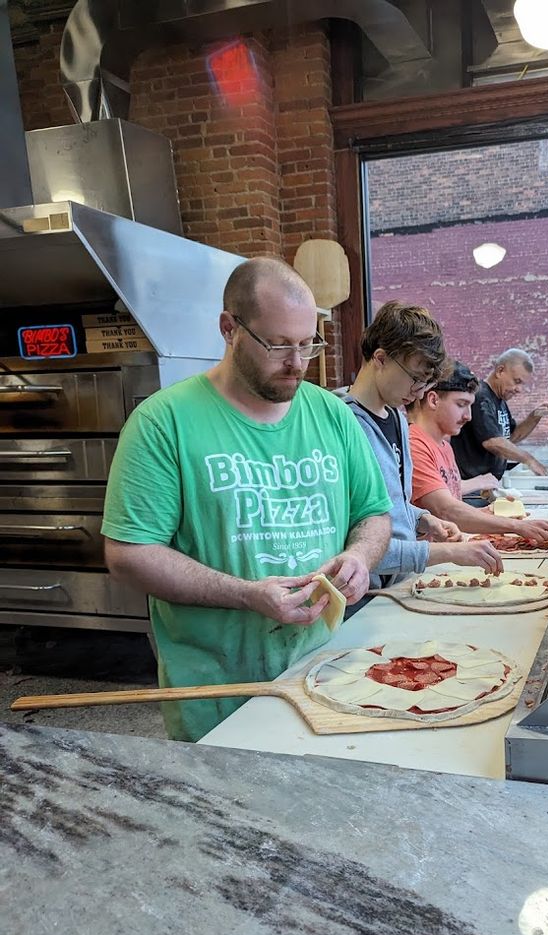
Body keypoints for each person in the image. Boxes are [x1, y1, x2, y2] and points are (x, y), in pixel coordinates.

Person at [101, 256, 392, 741]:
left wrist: (360, 556)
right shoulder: (163, 423)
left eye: (307, 344)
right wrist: (247, 595)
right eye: (278, 344)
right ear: (228, 328)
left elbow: (373, 514)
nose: (297, 363)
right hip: (216, 688)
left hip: (324, 671)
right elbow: (128, 555)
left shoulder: (333, 416)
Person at [343, 301, 503, 584]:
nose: (418, 392)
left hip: (399, 581)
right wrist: (447, 553)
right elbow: (355, 537)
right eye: (415, 379)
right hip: (365, 590)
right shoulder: (344, 423)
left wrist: (420, 518)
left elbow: (389, 504)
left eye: (425, 384)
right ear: (380, 358)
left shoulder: (395, 416)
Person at [408, 361, 548, 543]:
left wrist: (491, 515)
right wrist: (516, 527)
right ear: (433, 400)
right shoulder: (414, 445)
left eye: (470, 406)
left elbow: (451, 508)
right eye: (461, 404)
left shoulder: (445, 447)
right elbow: (446, 510)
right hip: (426, 562)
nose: (468, 416)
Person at [450, 347, 548, 485]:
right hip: (473, 488)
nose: (519, 389)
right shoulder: (481, 397)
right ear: (500, 371)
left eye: (522, 384)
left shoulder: (499, 400)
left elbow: (511, 437)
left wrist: (535, 416)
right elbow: (493, 442)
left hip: (490, 484)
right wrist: (528, 459)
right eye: (517, 381)